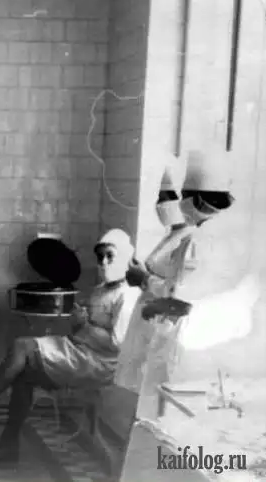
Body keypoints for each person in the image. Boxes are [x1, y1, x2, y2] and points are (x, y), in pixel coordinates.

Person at [0, 229, 137, 463]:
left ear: (125, 256)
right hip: (81, 351)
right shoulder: (100, 290)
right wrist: (79, 322)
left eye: (110, 256)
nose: (103, 262)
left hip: (100, 363)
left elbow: (117, 345)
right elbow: (85, 330)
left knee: (22, 346)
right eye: (100, 256)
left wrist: (84, 325)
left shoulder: (126, 296)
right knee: (23, 374)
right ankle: (6, 444)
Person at [124, 149, 240, 418]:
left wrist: (144, 280)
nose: (173, 203)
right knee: (156, 407)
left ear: (197, 199)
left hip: (184, 337)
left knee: (163, 412)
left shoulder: (202, 240)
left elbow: (181, 297)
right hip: (174, 332)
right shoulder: (198, 233)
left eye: (181, 196)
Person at [115, 154, 189, 393]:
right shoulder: (172, 235)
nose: (161, 204)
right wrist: (140, 275)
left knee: (151, 387)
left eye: (167, 198)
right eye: (160, 198)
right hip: (147, 318)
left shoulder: (188, 240)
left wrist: (145, 279)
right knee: (134, 382)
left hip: (164, 321)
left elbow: (177, 291)